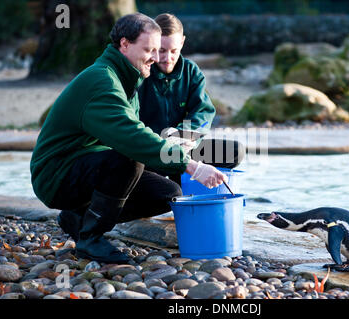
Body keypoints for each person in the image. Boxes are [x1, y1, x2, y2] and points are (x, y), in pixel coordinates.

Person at [29, 13, 227, 264]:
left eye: (159, 50)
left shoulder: (128, 77)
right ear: (124, 44)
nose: (156, 58)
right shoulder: (102, 81)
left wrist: (184, 140)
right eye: (150, 49)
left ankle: (78, 218)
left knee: (168, 193)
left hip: (92, 163)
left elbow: (202, 112)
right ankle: (90, 239)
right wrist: (192, 166)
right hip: (56, 175)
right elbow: (131, 136)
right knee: (129, 159)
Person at [137, 13, 245, 185]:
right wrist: (161, 143)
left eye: (174, 51)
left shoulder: (191, 71)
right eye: (161, 51)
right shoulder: (141, 72)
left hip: (185, 146)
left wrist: (183, 137)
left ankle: (188, 188)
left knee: (235, 151)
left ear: (182, 42)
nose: (167, 59)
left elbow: (204, 112)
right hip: (150, 151)